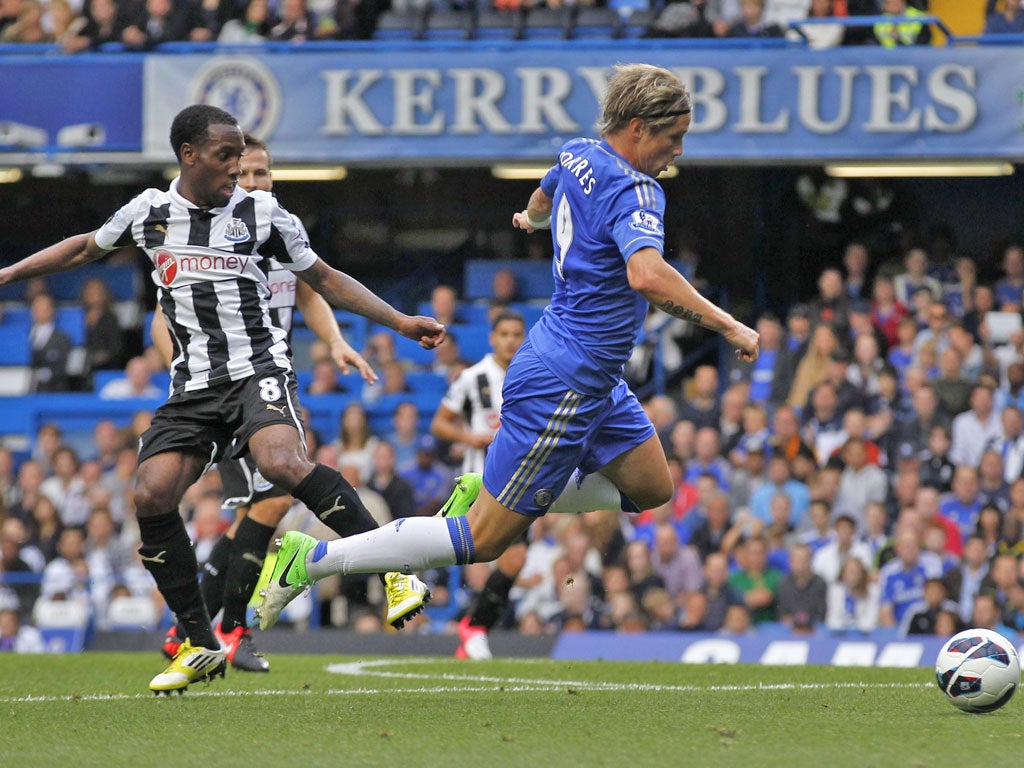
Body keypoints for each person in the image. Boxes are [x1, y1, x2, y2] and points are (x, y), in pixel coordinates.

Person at [256, 63, 759, 632]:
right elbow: (646, 275)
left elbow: (543, 195)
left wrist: (531, 218)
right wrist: (730, 326)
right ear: (639, 128)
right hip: (566, 380)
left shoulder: (579, 153)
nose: (680, 152)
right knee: (481, 540)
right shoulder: (638, 188)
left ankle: (490, 486)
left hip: (592, 375)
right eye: (674, 138)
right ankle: (314, 559)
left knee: (651, 487)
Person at [0, 104, 444, 693]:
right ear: (189, 155)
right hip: (193, 387)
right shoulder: (149, 213)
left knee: (280, 464)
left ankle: (397, 569)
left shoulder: (263, 214)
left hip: (257, 369)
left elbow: (326, 280)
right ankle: (199, 641)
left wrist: (397, 322)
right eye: (225, 156)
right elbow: (84, 248)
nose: (238, 167)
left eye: (241, 156)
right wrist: (8, 275)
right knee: (151, 494)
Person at [151, 131, 401, 674]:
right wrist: (193, 377)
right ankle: (227, 630)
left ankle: (192, 632)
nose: (254, 182)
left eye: (262, 173)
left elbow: (312, 292)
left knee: (264, 506)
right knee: (267, 503)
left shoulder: (275, 227)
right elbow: (162, 319)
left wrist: (334, 341)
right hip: (225, 389)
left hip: (267, 385)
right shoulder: (208, 232)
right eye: (245, 175)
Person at [429, 309, 527, 659]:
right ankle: (472, 626)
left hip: (521, 481)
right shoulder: (474, 377)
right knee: (488, 556)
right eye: (504, 334)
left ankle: (472, 626)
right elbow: (440, 424)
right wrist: (470, 438)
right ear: (492, 338)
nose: (511, 341)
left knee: (514, 559)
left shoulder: (533, 374)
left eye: (517, 334)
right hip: (481, 481)